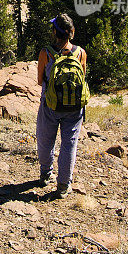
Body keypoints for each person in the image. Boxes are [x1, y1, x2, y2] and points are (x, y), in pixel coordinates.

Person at [36, 13, 88, 198]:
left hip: (50, 105)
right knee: (69, 145)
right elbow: (82, 76)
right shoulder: (80, 52)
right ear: (71, 33)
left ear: (54, 32)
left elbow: (40, 79)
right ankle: (64, 185)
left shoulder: (46, 53)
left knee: (45, 139)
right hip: (74, 108)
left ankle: (45, 174)